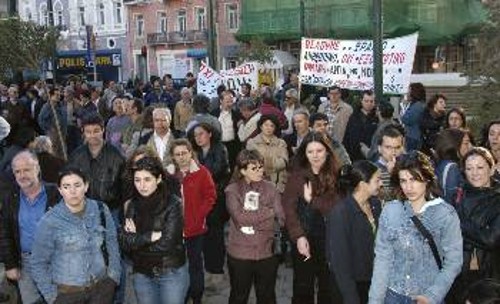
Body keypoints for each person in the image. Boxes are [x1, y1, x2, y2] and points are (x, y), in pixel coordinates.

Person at [368, 151, 463, 304]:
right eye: (403, 180)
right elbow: (382, 259)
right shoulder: (390, 210)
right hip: (392, 295)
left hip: (427, 296)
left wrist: (432, 295)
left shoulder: (445, 214)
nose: (409, 187)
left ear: (427, 179)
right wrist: (375, 300)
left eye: (414, 179)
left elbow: (454, 262)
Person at [30, 167, 121, 304]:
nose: (72, 191)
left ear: (86, 186)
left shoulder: (101, 209)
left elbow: (112, 242)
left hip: (101, 289)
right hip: (66, 295)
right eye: (66, 187)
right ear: (60, 190)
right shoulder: (49, 221)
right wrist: (52, 297)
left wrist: (113, 277)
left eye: (77, 185)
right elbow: (38, 262)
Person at [119, 157, 189, 304]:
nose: (142, 185)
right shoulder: (132, 205)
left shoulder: (174, 204)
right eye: (137, 180)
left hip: (170, 271)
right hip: (142, 273)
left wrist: (136, 241)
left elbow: (167, 244)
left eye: (147, 179)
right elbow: (124, 241)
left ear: (158, 179)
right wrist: (149, 237)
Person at [282, 132, 341, 304]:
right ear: (304, 153)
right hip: (303, 235)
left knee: (327, 286)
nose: (315, 156)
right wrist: (298, 236)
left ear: (327, 152)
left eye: (319, 151)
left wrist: (312, 200)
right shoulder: (297, 175)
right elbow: (289, 208)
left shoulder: (337, 175)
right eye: (310, 151)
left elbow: (334, 209)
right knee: (303, 286)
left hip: (330, 238)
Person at [0, 151, 61, 304]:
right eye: (17, 171)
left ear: (37, 169)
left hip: (54, 261)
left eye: (26, 169)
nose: (22, 175)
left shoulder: (56, 193)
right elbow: (5, 233)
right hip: (26, 263)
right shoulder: (10, 198)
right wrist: (11, 264)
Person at [225, 149, 285, 304]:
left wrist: (253, 218)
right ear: (243, 170)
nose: (260, 171)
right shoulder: (232, 190)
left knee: (267, 297)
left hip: (267, 253)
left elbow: (281, 218)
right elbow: (240, 218)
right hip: (240, 255)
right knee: (239, 296)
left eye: (261, 167)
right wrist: (267, 212)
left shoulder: (271, 187)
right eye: (254, 168)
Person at [166, 139, 216, 304]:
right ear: (173, 157)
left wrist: (199, 215)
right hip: (173, 229)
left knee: (195, 264)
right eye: (177, 154)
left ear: (190, 153)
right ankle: (180, 296)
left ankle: (197, 296)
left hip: (195, 228)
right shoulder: (168, 175)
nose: (181, 157)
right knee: (177, 266)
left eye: (184, 153)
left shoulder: (202, 173)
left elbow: (210, 197)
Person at [326, 160, 383, 304]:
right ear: (363, 185)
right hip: (350, 286)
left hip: (372, 280)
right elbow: (340, 263)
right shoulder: (341, 213)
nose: (381, 184)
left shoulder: (375, 205)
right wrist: (351, 298)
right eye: (377, 180)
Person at [449, 147, 500, 302]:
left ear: (491, 169)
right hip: (459, 273)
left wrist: (458, 223)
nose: (474, 173)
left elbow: (490, 239)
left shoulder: (498, 199)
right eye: (469, 168)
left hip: (491, 273)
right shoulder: (456, 196)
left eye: (480, 167)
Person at [188, 123, 230, 285]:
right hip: (198, 200)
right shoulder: (194, 151)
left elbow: (215, 172)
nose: (198, 138)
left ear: (210, 134)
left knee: (216, 236)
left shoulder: (220, 149)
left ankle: (217, 269)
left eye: (201, 134)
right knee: (202, 235)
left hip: (215, 199)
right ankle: (207, 268)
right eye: (196, 135)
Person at [247, 114, 288, 193]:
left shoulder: (281, 143)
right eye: (266, 125)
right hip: (257, 183)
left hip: (278, 184)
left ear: (275, 128)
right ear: (261, 126)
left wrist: (264, 161)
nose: (268, 128)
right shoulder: (252, 143)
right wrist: (273, 161)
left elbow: (283, 162)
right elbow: (252, 164)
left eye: (272, 126)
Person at [343, 90, 379, 161]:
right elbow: (347, 137)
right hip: (354, 155)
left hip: (371, 155)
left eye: (371, 101)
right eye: (366, 101)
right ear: (361, 101)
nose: (369, 103)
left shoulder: (377, 117)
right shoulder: (354, 116)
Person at [433, 129, 466, 204]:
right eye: (466, 143)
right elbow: (450, 198)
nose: (469, 146)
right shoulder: (452, 168)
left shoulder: (440, 163)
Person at [401, 82, 426, 151]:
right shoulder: (418, 105)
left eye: (409, 91)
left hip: (413, 138)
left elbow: (405, 119)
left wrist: (403, 106)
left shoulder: (417, 106)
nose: (407, 93)